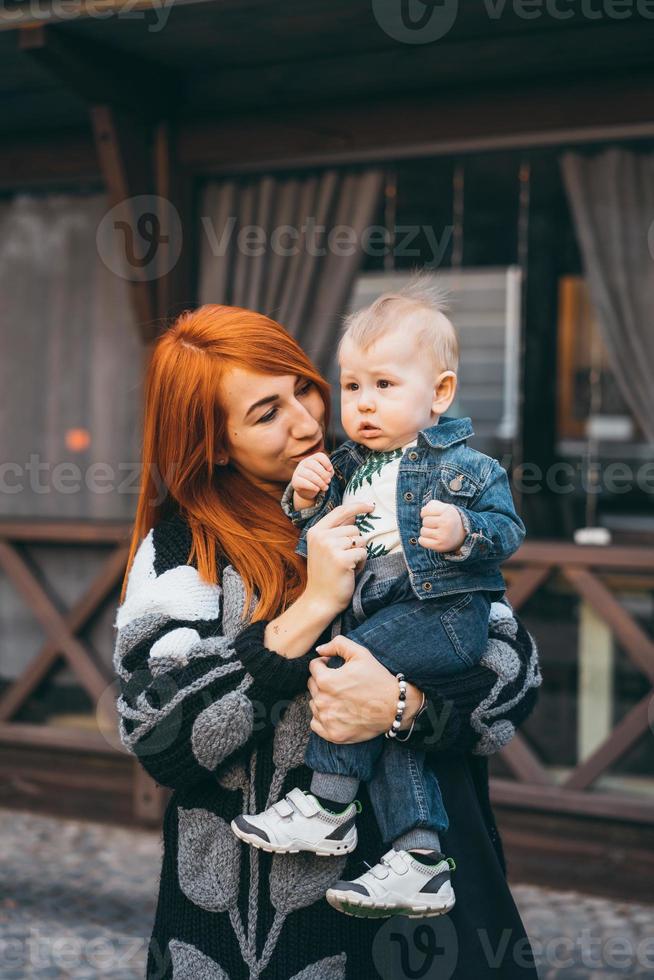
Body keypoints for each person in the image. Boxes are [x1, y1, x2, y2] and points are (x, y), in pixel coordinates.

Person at [113, 303, 540, 979]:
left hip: (426, 929)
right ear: (215, 442)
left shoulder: (399, 485)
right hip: (253, 938)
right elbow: (158, 733)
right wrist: (310, 609)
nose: (310, 421)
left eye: (304, 386)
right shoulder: (183, 553)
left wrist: (402, 705)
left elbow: (514, 672)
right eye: (266, 413)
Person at [231, 281, 526, 920]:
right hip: (394, 614)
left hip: (443, 616)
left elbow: (508, 531)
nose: (363, 405)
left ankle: (328, 802)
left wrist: (464, 533)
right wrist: (305, 504)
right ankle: (419, 858)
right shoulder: (343, 466)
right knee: (388, 723)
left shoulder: (466, 467)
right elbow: (319, 552)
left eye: (385, 386)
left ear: (439, 394)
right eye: (354, 386)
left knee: (344, 663)